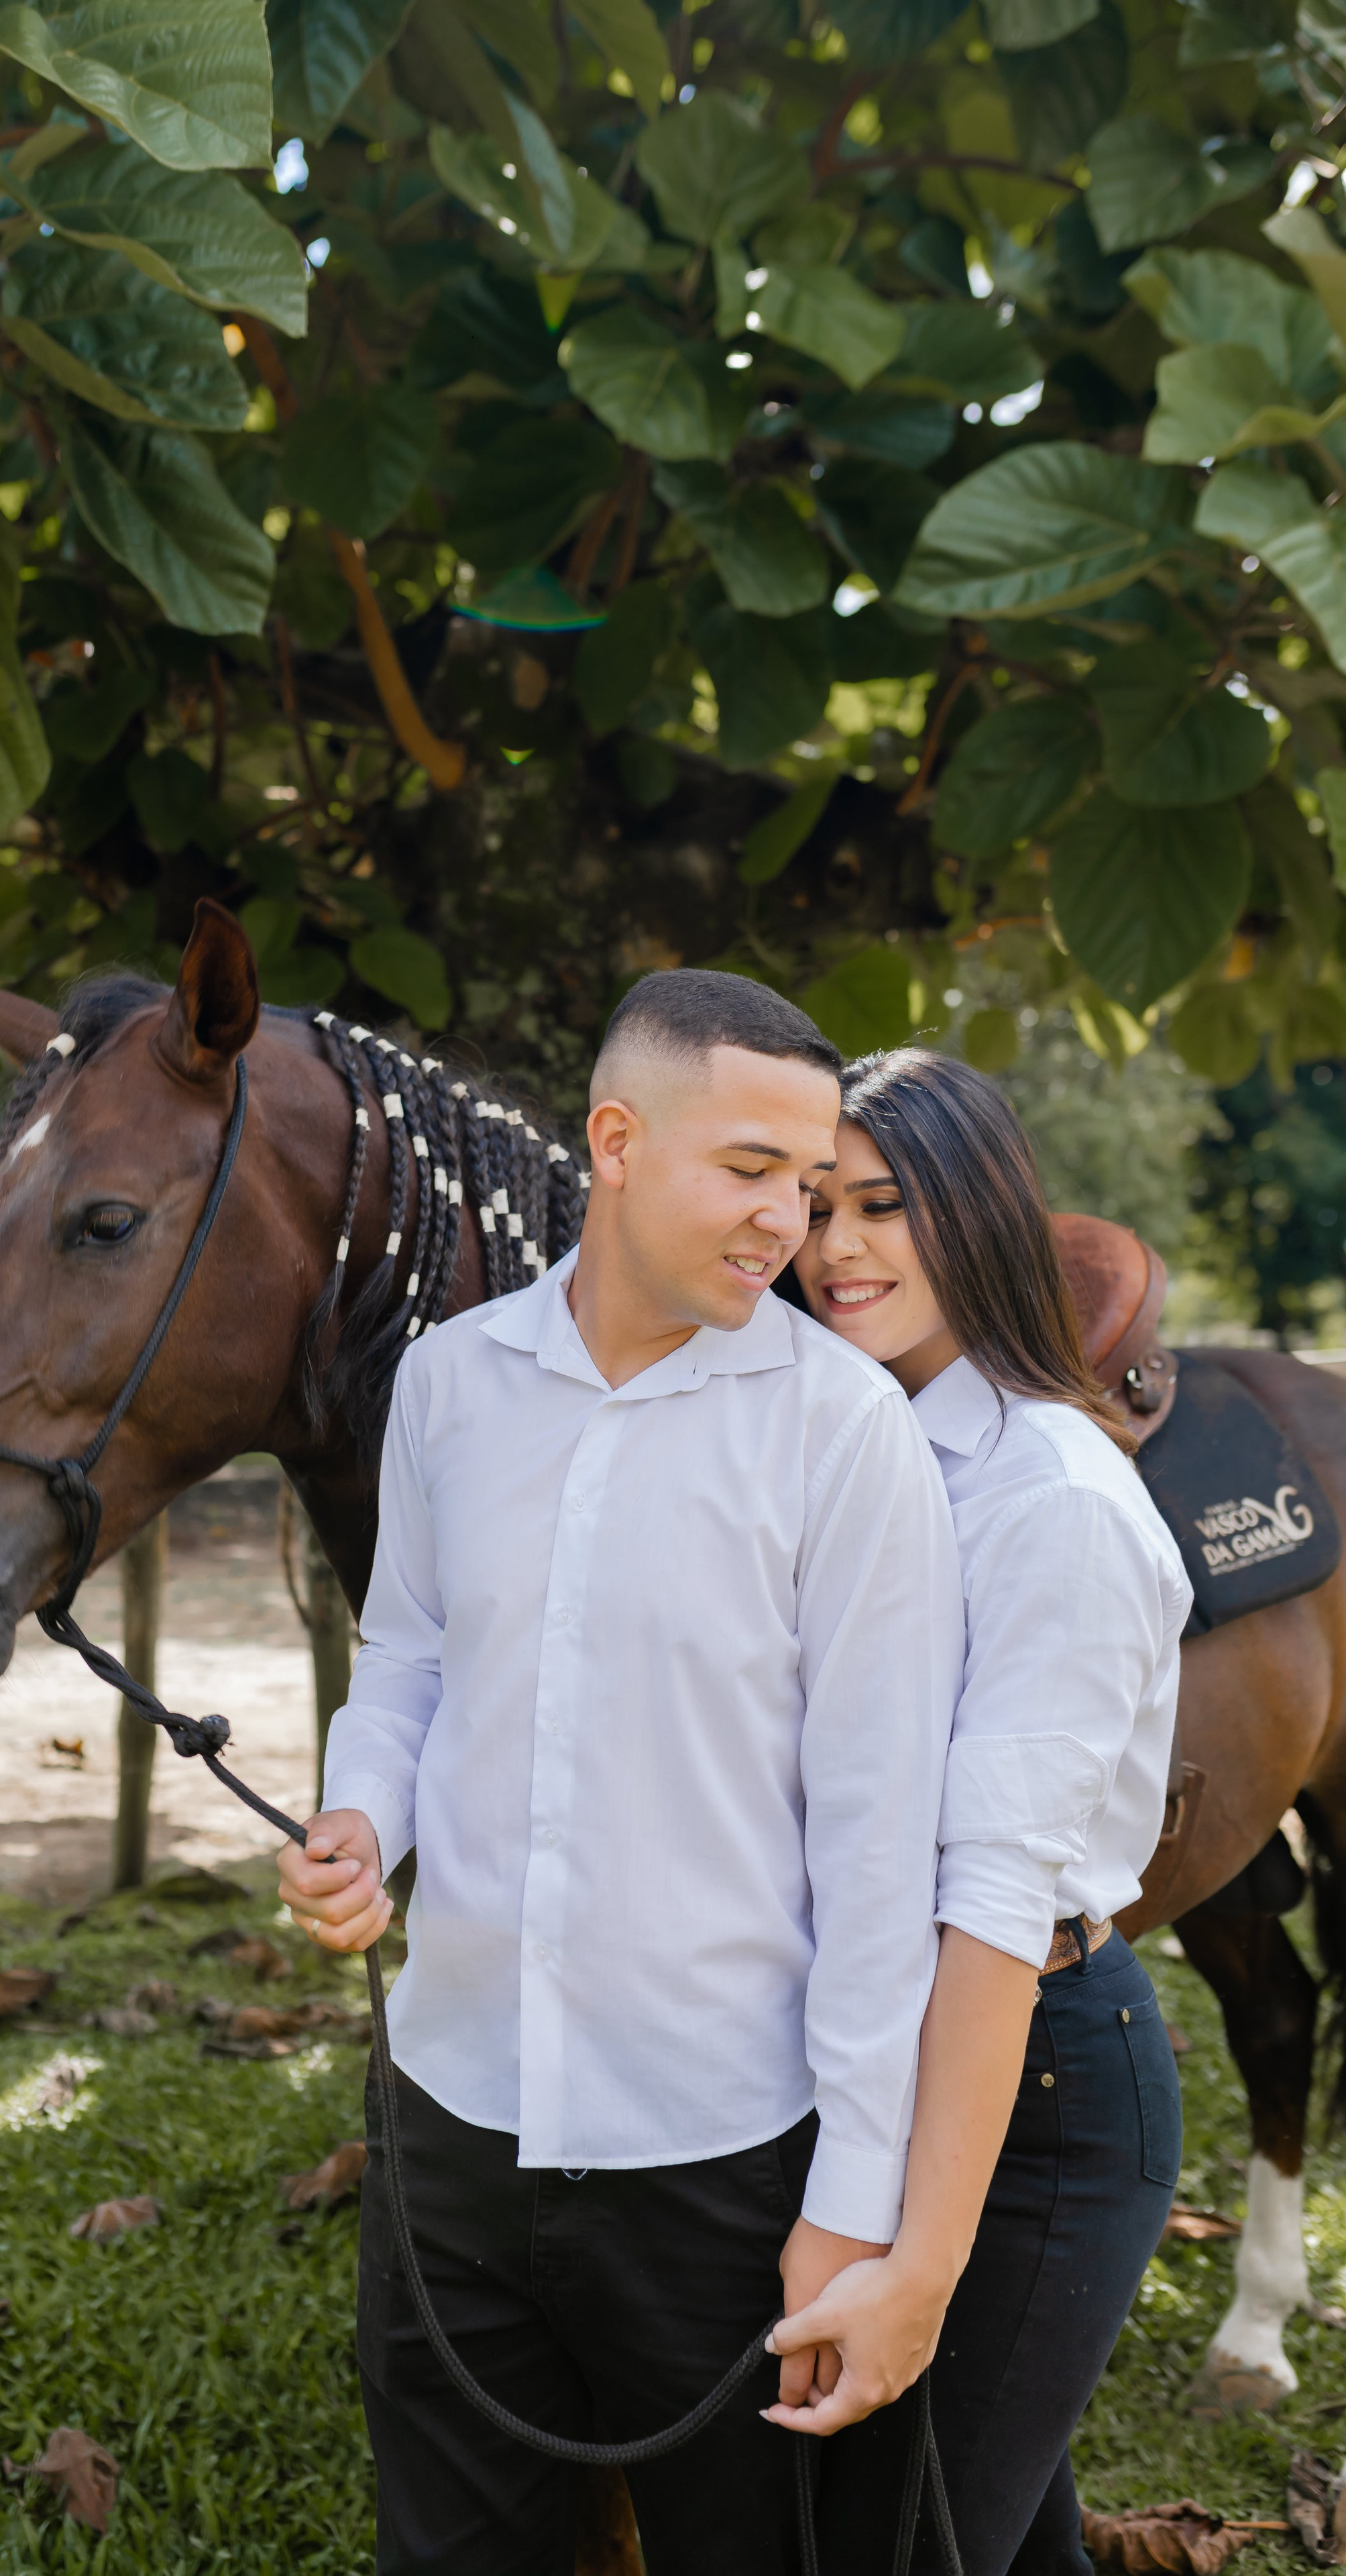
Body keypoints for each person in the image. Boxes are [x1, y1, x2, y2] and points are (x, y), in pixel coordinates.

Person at [278, 970, 965, 2576]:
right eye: (748, 1171)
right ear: (613, 1139)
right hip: (445, 2124)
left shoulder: (843, 1434)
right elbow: (409, 1660)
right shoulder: (447, 1384)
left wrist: (851, 2199)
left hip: (723, 2161)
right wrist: (359, 1815)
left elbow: (879, 1849)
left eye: (806, 1187)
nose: (785, 1223)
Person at [774, 1046, 1191, 2576]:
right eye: (814, 1208)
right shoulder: (854, 1448)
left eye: (881, 1205)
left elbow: (992, 1901)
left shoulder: (1048, 1502)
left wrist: (918, 2265)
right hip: (894, 2043)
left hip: (1038, 2083)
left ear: (978, 1208)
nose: (835, 1250)